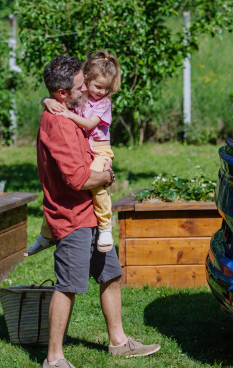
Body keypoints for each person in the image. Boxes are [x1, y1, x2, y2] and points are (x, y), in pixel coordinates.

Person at [37, 55, 159, 368]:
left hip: (91, 212)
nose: (86, 92)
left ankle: (118, 342)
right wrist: (106, 177)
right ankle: (54, 358)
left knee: (111, 275)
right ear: (63, 94)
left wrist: (45, 99)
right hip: (72, 216)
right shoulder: (58, 123)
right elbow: (77, 178)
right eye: (80, 86)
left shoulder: (67, 109)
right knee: (68, 287)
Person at [27, 50, 120, 256]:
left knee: (99, 188)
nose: (100, 91)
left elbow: (89, 123)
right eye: (94, 86)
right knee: (55, 196)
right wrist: (46, 100)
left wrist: (68, 114)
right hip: (89, 151)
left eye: (106, 88)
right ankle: (46, 234)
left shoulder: (103, 103)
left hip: (101, 151)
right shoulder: (81, 97)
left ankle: (106, 227)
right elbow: (56, 95)